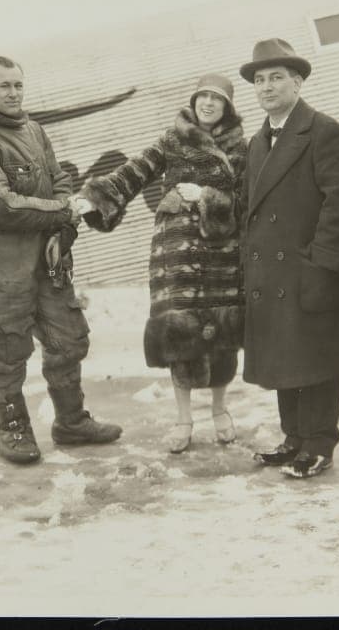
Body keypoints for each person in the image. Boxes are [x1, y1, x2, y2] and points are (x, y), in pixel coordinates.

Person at [0, 56, 122, 465]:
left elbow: (61, 181)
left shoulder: (33, 129)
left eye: (18, 85)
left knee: (68, 338)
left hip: (48, 258)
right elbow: (0, 204)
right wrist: (64, 214)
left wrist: (64, 232)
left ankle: (71, 421)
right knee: (7, 348)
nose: (13, 93)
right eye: (4, 86)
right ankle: (14, 430)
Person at [77, 73, 246, 453]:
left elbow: (246, 199)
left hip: (221, 253)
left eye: (216, 99)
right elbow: (135, 171)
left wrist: (206, 195)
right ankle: (183, 419)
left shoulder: (241, 150)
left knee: (223, 336)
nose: (208, 103)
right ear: (193, 101)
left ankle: (220, 410)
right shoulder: (173, 139)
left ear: (227, 108)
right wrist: (96, 198)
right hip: (177, 254)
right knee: (178, 335)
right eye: (202, 97)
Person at [238, 40, 339, 478]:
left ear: (298, 81)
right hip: (270, 273)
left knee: (316, 360)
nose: (266, 87)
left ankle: (319, 443)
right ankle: (294, 438)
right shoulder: (258, 141)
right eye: (259, 80)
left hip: (308, 270)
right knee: (283, 358)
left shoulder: (323, 131)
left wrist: (321, 261)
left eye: (276, 77)